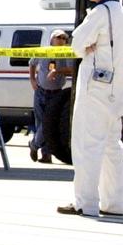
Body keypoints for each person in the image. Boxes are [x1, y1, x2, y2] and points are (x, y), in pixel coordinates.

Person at [57, 0, 123, 218]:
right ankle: (114, 203)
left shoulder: (100, 13)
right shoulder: (122, 13)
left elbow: (77, 44)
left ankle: (85, 202)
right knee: (112, 146)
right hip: (119, 90)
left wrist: (86, 48)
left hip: (97, 89)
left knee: (86, 144)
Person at [28, 29, 71, 163]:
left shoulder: (67, 53)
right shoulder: (44, 51)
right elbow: (32, 63)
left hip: (56, 93)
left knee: (48, 123)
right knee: (40, 122)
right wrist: (32, 80)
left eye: (64, 38)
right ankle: (45, 154)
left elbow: (71, 70)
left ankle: (34, 145)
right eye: (58, 37)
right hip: (40, 91)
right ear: (52, 39)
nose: (61, 40)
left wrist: (57, 71)